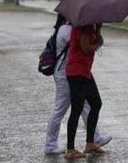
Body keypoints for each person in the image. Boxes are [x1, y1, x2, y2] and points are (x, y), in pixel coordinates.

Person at [45, 15, 111, 155]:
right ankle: (57, 146)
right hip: (69, 73)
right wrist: (97, 40)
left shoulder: (84, 27)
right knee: (66, 108)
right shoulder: (71, 28)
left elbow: (90, 42)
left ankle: (92, 140)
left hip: (81, 71)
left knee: (91, 104)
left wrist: (97, 28)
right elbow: (85, 47)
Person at [64, 23, 105, 159]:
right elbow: (86, 49)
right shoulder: (81, 27)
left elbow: (98, 41)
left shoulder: (90, 27)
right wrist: (98, 45)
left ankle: (90, 143)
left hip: (85, 71)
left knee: (96, 103)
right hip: (76, 72)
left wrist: (98, 29)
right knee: (77, 109)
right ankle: (70, 149)